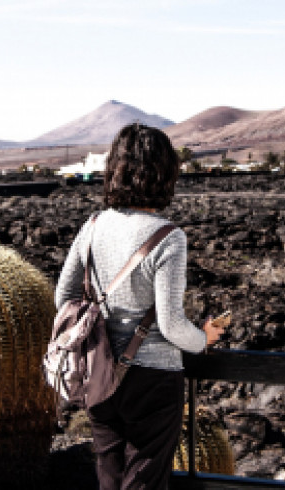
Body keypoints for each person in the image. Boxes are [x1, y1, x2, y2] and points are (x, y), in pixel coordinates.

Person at [55, 123, 225, 490]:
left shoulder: (94, 225)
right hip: (153, 377)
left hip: (96, 371)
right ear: (164, 172)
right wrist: (204, 338)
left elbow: (62, 298)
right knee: (144, 481)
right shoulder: (168, 237)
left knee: (110, 475)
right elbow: (171, 324)